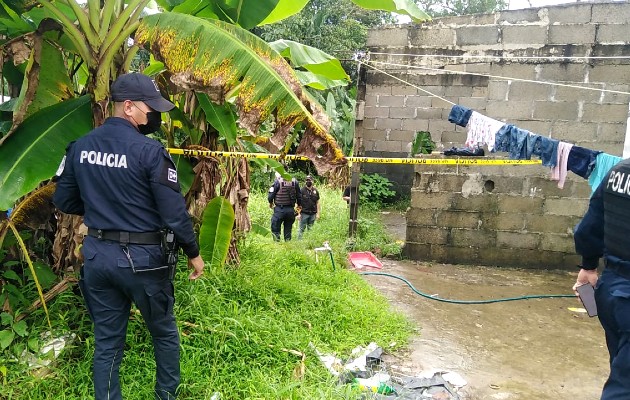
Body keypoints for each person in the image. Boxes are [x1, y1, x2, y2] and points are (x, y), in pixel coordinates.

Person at [53, 73, 205, 400]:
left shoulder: (79, 147)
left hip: (97, 258)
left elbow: (64, 201)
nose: (154, 116)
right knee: (163, 333)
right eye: (150, 109)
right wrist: (193, 253)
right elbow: (174, 214)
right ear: (129, 107)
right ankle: (166, 395)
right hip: (144, 262)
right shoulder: (150, 153)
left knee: (107, 342)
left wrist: (101, 205)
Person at [574, 158, 630, 399]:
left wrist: (588, 266)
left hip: (611, 291)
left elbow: (589, 228)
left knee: (621, 368)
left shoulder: (619, 172)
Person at [268, 172, 301, 241]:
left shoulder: (277, 182)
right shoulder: (295, 182)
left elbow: (270, 196)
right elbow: (299, 197)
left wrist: (271, 203)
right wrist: (298, 208)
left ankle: (277, 244)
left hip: (279, 209)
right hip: (290, 210)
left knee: (275, 228)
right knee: (288, 229)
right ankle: (287, 243)